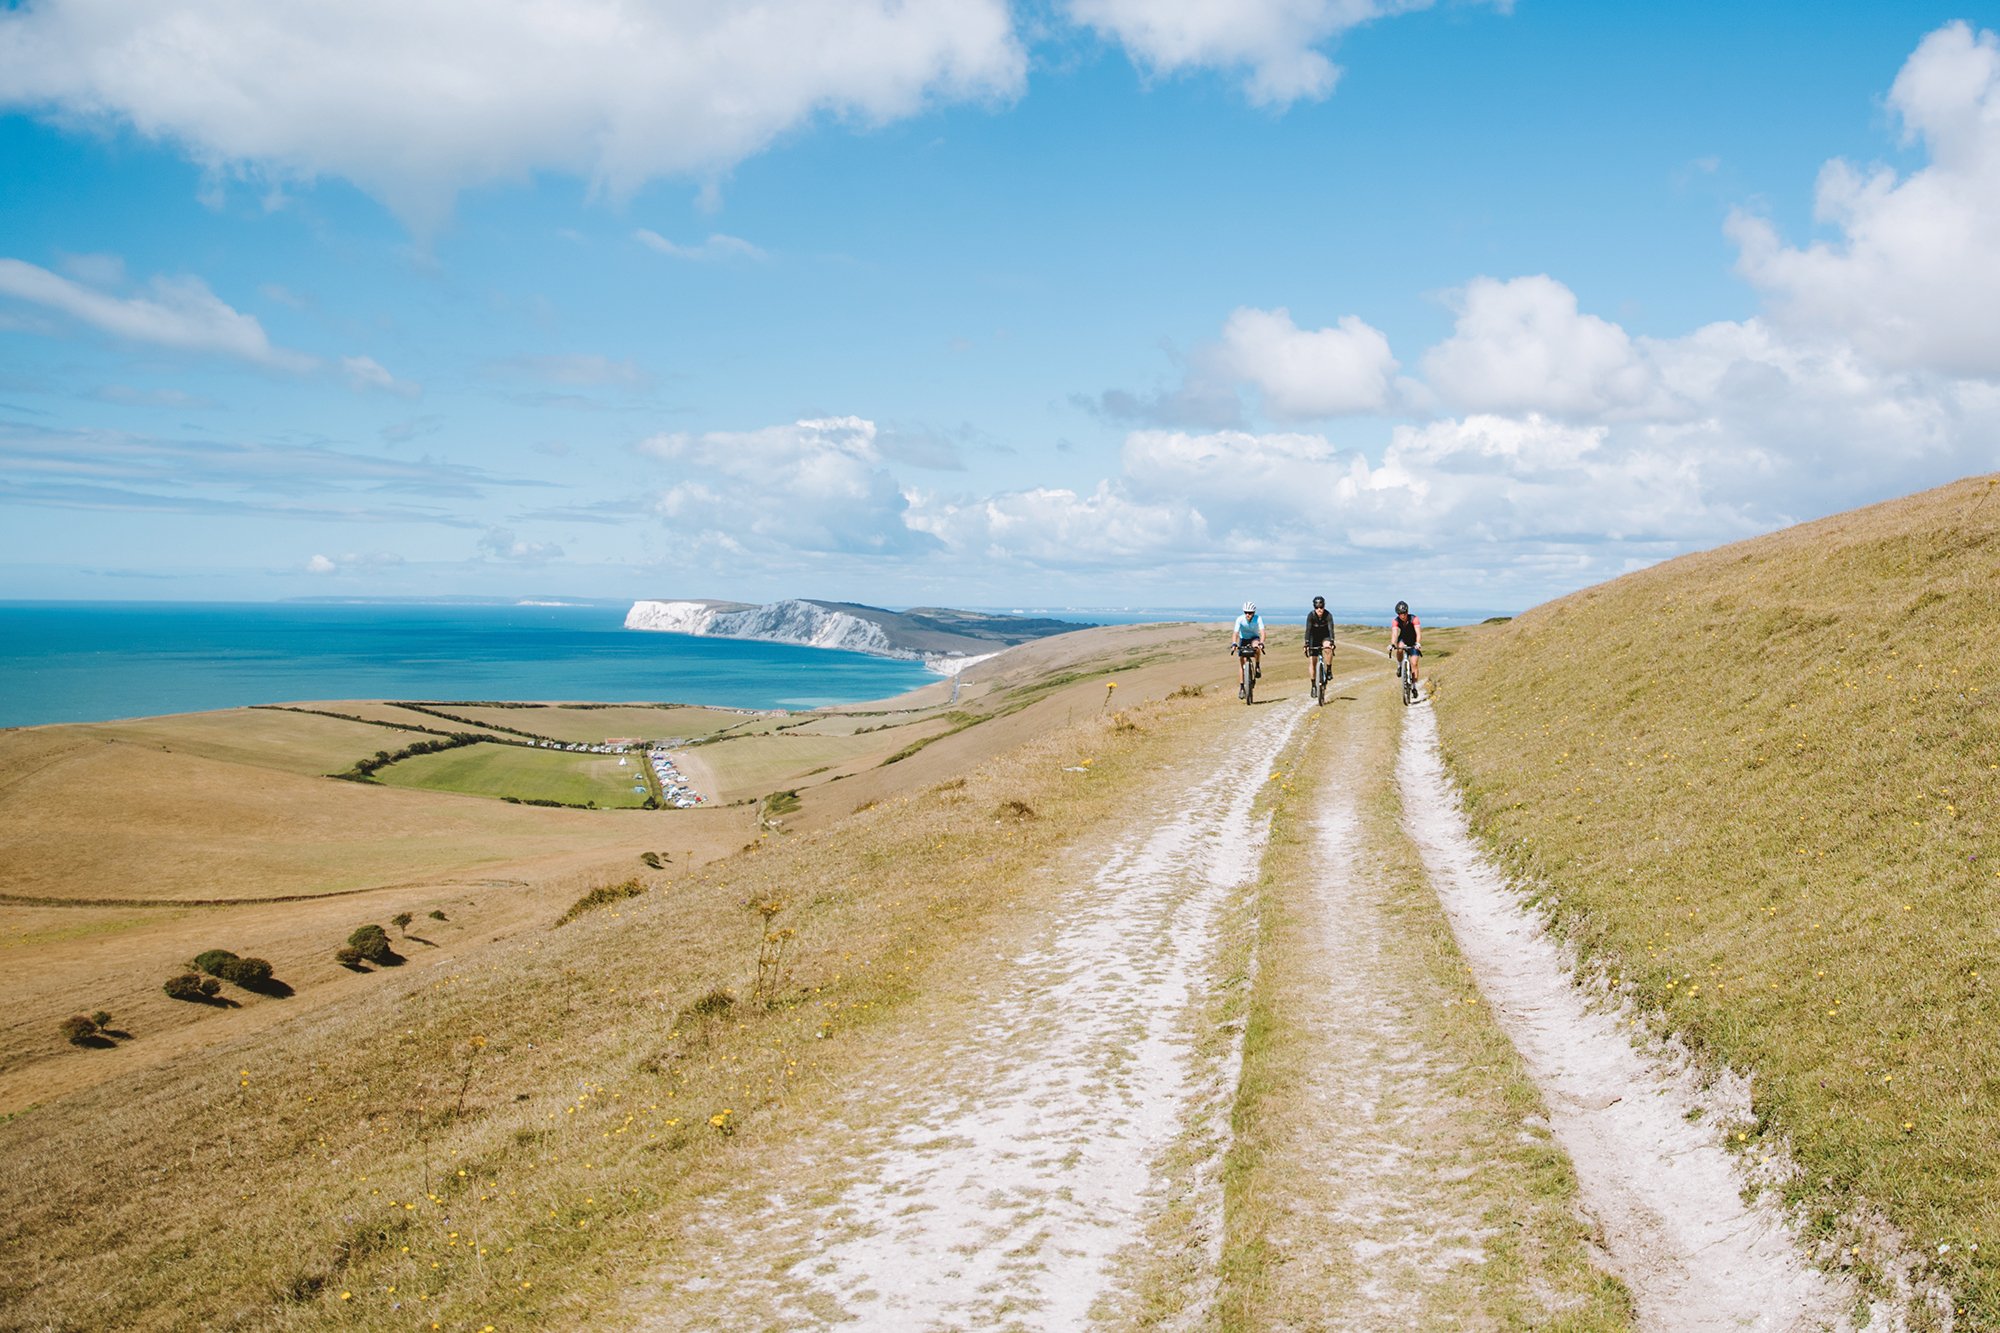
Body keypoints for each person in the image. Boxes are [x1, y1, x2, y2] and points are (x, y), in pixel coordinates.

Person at [1388, 600, 1422, 694]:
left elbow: (1418, 633)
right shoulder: (1396, 621)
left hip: (1413, 641)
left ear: (1407, 612)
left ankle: (1414, 686)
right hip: (1403, 639)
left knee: (1414, 663)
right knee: (1399, 647)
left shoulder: (1414, 619)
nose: (1402, 615)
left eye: (1404, 613)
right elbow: (1394, 634)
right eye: (1400, 614)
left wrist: (1418, 643)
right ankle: (1399, 666)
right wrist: (1392, 644)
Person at [1304, 595, 1335, 689]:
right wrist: (1306, 644)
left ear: (1324, 607)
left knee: (1327, 648)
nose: (1319, 609)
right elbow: (1308, 630)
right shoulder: (1311, 616)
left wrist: (1332, 642)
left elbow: (1331, 630)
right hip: (1314, 637)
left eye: (1321, 607)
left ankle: (1329, 669)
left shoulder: (1328, 615)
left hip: (1325, 636)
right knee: (1312, 662)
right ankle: (1313, 685)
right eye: (1316, 607)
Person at [1232, 601, 1265, 680]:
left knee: (1256, 646)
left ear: (1253, 613)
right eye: (1246, 612)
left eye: (1250, 613)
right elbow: (1235, 633)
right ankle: (1242, 686)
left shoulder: (1258, 618)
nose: (1247, 614)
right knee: (1241, 662)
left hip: (1254, 638)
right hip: (1243, 639)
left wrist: (1261, 643)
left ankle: (1257, 665)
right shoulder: (1240, 619)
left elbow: (1262, 632)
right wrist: (1234, 643)